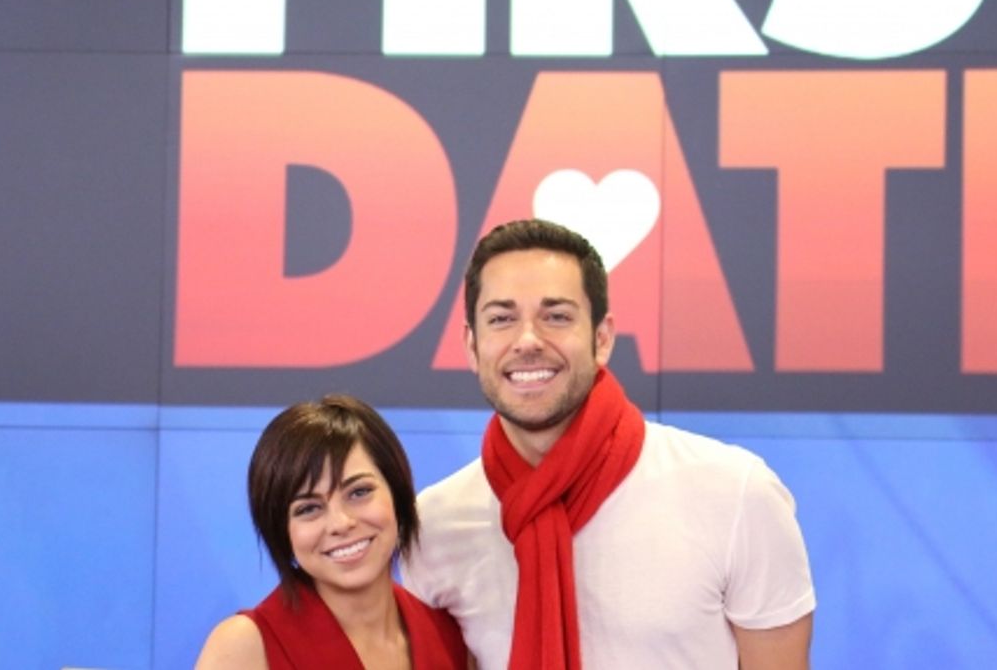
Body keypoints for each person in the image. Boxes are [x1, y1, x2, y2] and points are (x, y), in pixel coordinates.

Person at [402, 219, 815, 669]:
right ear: (471, 345)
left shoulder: (736, 493)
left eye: (556, 316)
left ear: (602, 339)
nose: (527, 341)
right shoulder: (435, 526)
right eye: (501, 319)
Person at [195, 394, 467, 670]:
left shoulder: (449, 635)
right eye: (308, 509)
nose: (340, 523)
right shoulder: (246, 646)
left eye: (359, 492)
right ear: (282, 531)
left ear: (396, 493)